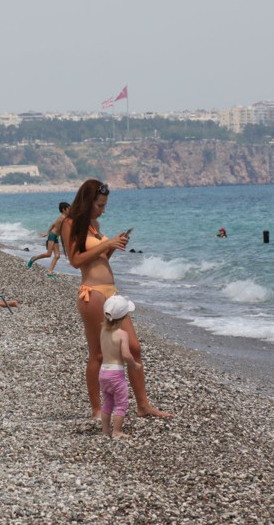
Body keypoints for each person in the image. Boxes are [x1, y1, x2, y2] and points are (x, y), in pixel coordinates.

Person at [60, 179, 170, 419]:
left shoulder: (95, 225)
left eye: (104, 205)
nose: (103, 210)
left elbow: (100, 260)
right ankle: (96, 410)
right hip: (93, 293)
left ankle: (143, 406)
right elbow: (76, 261)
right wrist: (106, 243)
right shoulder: (70, 224)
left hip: (112, 291)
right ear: (88, 202)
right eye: (100, 205)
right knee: (98, 354)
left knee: (133, 348)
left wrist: (111, 247)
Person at [100, 295, 143, 439]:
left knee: (107, 402)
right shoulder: (122, 334)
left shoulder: (103, 331)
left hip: (103, 373)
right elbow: (126, 355)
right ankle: (117, 431)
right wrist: (134, 365)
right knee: (121, 403)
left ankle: (105, 430)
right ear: (124, 317)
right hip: (116, 374)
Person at [27, 201, 70, 276]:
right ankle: (33, 259)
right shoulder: (62, 218)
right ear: (64, 209)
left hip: (56, 236)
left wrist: (47, 232)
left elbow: (54, 223)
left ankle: (50, 273)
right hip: (52, 236)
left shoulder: (64, 217)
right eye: (69, 208)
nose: (70, 210)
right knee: (48, 254)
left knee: (57, 256)